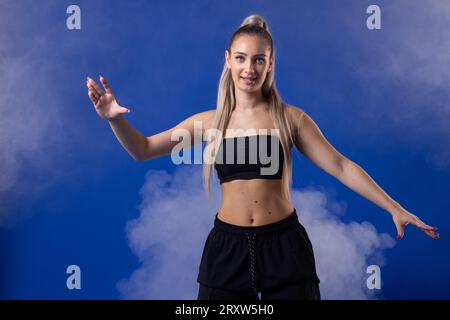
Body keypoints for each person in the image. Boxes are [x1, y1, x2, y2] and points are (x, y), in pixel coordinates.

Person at [85, 14, 439, 300]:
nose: (248, 69)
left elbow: (342, 167)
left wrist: (394, 207)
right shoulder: (209, 122)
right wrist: (115, 119)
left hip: (284, 247)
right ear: (227, 60)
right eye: (240, 58)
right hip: (226, 249)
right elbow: (142, 150)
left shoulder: (291, 119)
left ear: (270, 64)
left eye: (258, 60)